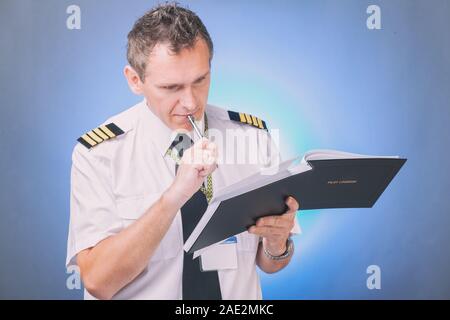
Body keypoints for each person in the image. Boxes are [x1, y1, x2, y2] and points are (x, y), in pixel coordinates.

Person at [66, 3, 301, 300]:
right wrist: (175, 195)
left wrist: (277, 243)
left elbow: (270, 264)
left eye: (200, 80)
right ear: (135, 80)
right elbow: (99, 282)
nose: (190, 102)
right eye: (171, 87)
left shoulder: (252, 137)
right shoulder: (100, 154)